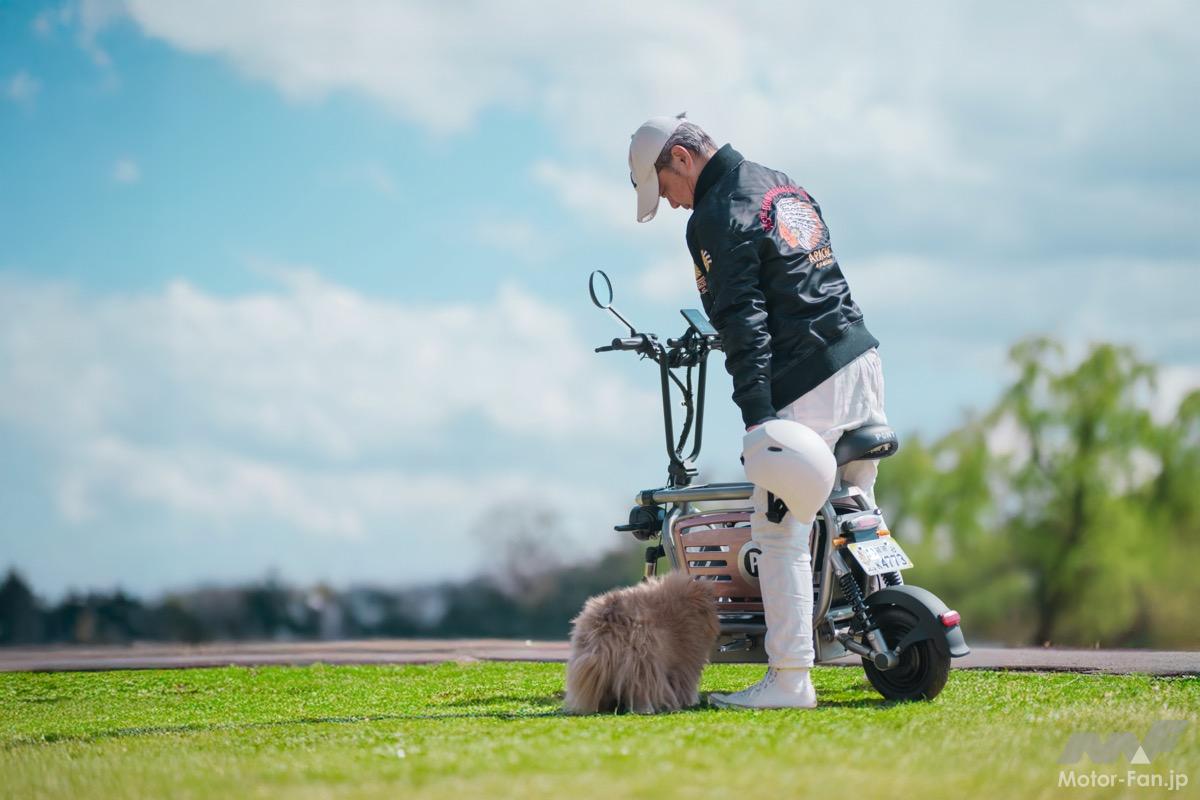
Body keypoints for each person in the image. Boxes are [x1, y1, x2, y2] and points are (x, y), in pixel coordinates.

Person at [628, 113, 888, 709]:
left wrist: (758, 420)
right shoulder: (779, 182)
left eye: (665, 188)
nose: (671, 203)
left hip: (808, 378)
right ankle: (880, 634)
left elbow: (743, 321)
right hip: (859, 358)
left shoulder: (714, 214)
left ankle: (790, 678)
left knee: (778, 529)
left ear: (682, 159)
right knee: (854, 509)